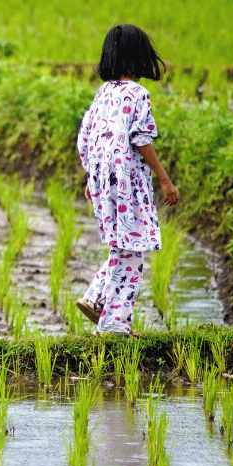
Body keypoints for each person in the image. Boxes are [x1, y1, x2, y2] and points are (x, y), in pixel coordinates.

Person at [75, 24, 180, 336]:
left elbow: (86, 138)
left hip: (103, 180)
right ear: (139, 57)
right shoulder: (137, 94)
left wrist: (92, 176)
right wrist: (164, 180)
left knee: (123, 246)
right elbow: (141, 139)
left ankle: (96, 298)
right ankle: (115, 323)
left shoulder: (103, 93)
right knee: (132, 251)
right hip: (127, 184)